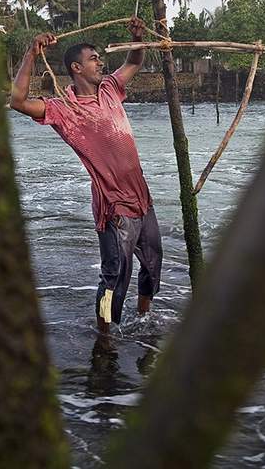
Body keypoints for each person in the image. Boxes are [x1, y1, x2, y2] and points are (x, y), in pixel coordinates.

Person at [9, 17, 162, 333]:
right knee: (114, 277)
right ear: (76, 69)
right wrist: (30, 55)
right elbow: (18, 101)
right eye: (93, 59)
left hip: (142, 199)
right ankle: (105, 336)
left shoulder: (110, 89)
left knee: (151, 265)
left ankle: (145, 320)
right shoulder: (63, 109)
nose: (100, 63)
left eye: (99, 58)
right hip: (114, 206)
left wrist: (137, 37)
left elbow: (134, 60)